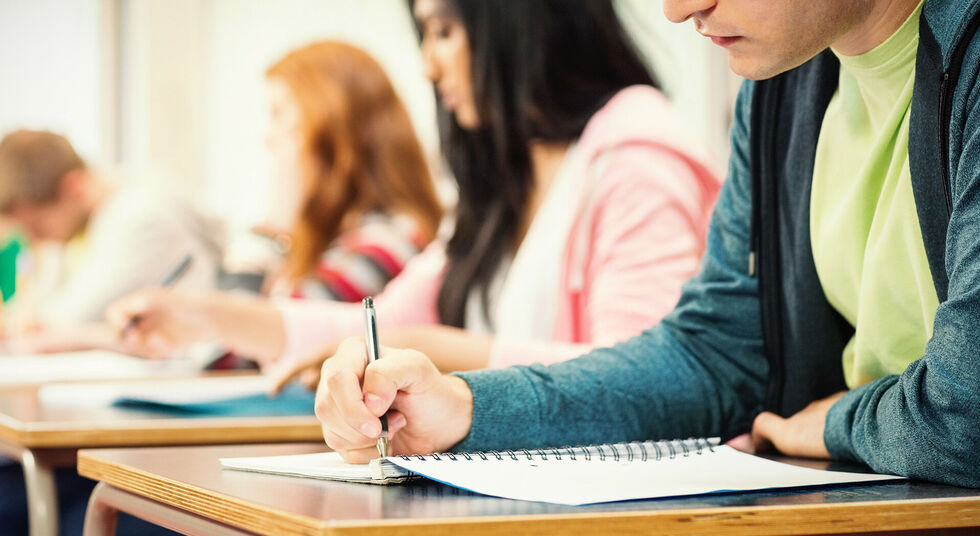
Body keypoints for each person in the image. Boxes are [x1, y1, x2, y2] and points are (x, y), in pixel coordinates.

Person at [308, 0, 980, 490]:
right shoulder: (781, 87)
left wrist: (837, 422)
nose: (677, 9)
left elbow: (968, 412)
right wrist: (467, 408)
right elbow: (714, 357)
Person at [108, 0, 721, 379]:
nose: (428, 66)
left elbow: (642, 379)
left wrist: (429, 349)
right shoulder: (504, 181)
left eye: (445, 32)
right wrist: (204, 315)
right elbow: (384, 324)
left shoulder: (637, 159)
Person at [0, 129, 223, 350]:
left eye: (36, 227)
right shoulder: (79, 229)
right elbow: (31, 316)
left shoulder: (139, 215)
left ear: (73, 187)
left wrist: (25, 325)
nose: (34, 240)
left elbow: (58, 322)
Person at [259, 41, 441, 302]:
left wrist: (272, 229)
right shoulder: (342, 238)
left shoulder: (388, 243)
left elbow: (270, 324)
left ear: (330, 126)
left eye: (278, 114)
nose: (269, 137)